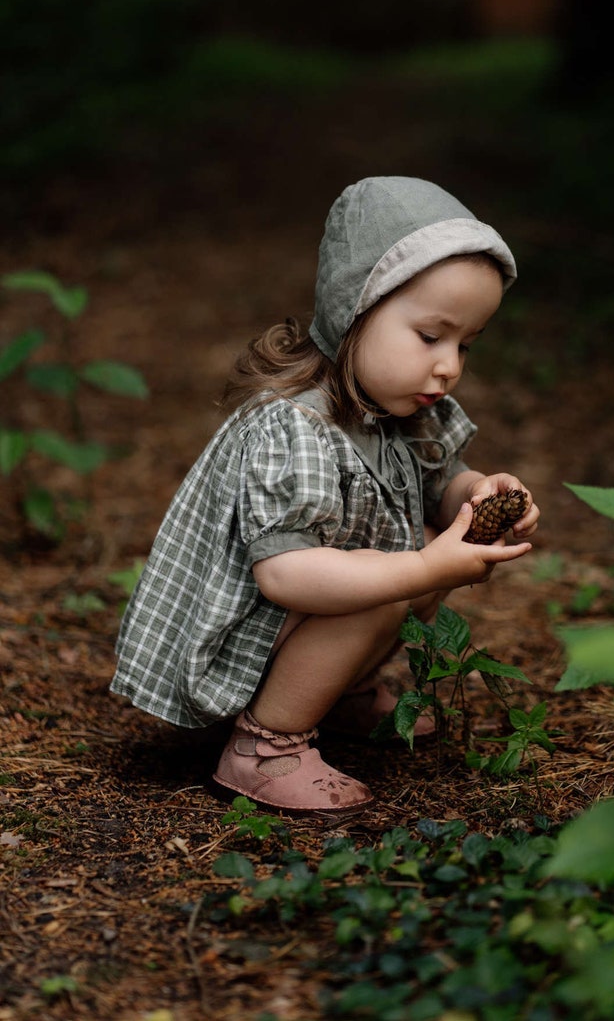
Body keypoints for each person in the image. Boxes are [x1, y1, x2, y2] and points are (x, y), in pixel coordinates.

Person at [111, 176, 539, 817]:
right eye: (430, 337)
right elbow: (285, 576)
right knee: (391, 574)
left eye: (465, 344)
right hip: (240, 633)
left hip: (303, 618)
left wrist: (478, 495)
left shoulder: (397, 406)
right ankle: (264, 747)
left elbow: (437, 484)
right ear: (354, 312)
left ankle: (337, 692)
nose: (449, 365)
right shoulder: (297, 425)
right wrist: (419, 568)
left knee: (410, 559)